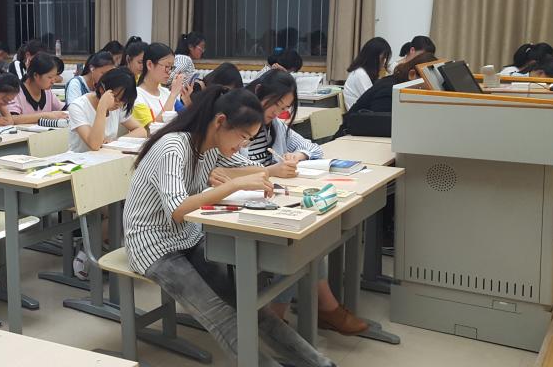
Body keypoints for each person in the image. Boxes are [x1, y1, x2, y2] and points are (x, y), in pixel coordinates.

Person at [123, 86, 333, 367]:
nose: (243, 144)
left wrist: (265, 172)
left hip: (188, 238)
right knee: (222, 318)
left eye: (249, 139)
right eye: (243, 136)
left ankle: (321, 364)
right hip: (153, 246)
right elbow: (178, 210)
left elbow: (248, 166)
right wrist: (235, 184)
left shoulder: (212, 148)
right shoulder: (173, 146)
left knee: (250, 306)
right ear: (220, 121)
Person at [241, 70, 370, 335]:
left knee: (309, 238)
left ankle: (290, 315)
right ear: (259, 92)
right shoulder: (238, 125)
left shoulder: (274, 127)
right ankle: (309, 313)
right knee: (300, 243)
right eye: (277, 104)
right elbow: (232, 170)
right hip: (244, 208)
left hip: (271, 199)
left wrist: (296, 156)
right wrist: (272, 170)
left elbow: (314, 149)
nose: (279, 112)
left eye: (285, 108)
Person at [68, 68, 147, 152]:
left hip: (107, 157)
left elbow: (141, 131)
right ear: (102, 89)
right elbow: (94, 145)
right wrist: (102, 106)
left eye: (123, 101)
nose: (119, 104)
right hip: (80, 158)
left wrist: (116, 141)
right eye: (116, 98)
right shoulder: (78, 106)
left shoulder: (119, 105)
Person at [349, 53, 438, 114]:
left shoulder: (398, 84)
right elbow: (379, 124)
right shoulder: (389, 91)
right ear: (412, 74)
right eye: (429, 83)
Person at [132, 43, 186, 128]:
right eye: (167, 66)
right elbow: (151, 129)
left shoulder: (166, 93)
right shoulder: (136, 96)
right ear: (149, 65)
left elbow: (186, 116)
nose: (170, 72)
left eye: (171, 67)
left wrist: (187, 98)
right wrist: (173, 95)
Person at [8, 53, 68, 124]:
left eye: (55, 77)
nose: (53, 81)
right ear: (36, 75)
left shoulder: (47, 91)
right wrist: (45, 115)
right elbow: (12, 119)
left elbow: (63, 108)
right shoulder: (16, 92)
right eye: (50, 77)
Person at [343, 37, 392, 109]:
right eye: (382, 58)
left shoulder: (365, 73)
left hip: (364, 112)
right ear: (373, 57)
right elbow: (372, 98)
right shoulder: (360, 74)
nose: (384, 62)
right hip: (358, 114)